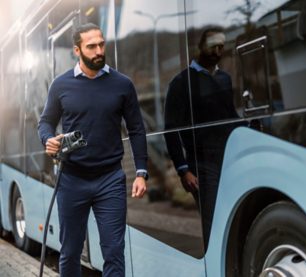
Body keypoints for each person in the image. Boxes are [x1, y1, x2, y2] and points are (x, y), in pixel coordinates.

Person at [38, 23, 148, 277]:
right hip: (71, 179)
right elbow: (45, 121)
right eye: (91, 46)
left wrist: (141, 171)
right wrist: (48, 139)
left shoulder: (122, 84)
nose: (99, 51)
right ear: (77, 50)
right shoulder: (60, 85)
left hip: (110, 179)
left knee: (114, 252)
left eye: (101, 44)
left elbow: (136, 129)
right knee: (71, 251)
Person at [164, 27, 241, 248]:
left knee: (232, 217)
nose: (218, 50)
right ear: (200, 47)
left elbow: (230, 116)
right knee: (212, 222)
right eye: (213, 46)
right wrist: (183, 169)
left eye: (221, 46)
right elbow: (170, 130)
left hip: (229, 158)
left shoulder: (225, 79)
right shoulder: (181, 83)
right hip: (202, 165)